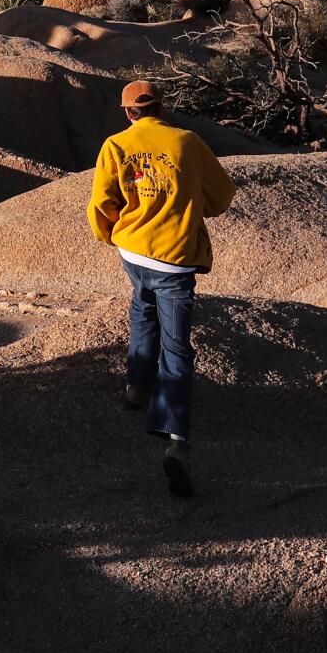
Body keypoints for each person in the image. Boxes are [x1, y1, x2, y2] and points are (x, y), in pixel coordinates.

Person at [86, 78, 235, 498]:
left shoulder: (116, 145)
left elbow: (102, 205)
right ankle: (176, 442)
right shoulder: (187, 143)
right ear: (161, 108)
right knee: (177, 349)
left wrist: (113, 236)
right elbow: (221, 197)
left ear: (128, 113)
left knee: (142, 305)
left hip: (133, 252)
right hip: (174, 259)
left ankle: (136, 389)